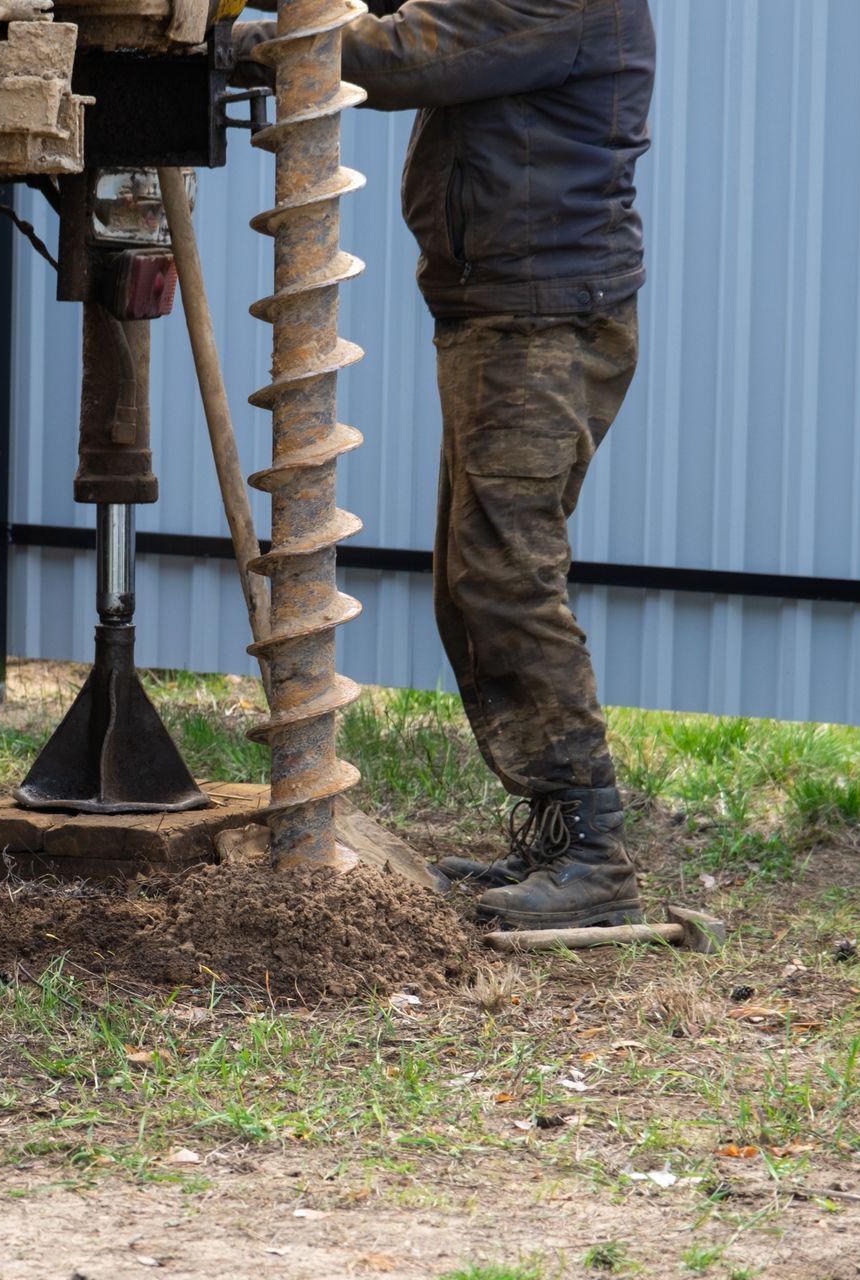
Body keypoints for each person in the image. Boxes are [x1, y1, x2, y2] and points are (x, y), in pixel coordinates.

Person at [237, 0, 656, 928]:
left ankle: (596, 856)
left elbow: (401, 52)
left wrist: (253, 37)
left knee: (506, 578)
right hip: (502, 310)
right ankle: (555, 837)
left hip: (543, 318)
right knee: (470, 584)